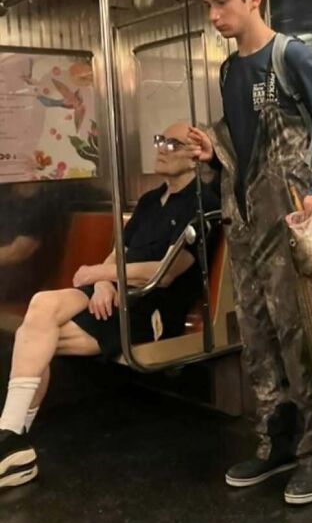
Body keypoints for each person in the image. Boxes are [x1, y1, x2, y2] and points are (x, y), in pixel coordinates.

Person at [188, 0, 312, 505]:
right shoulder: (230, 70)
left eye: (221, 3)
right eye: (208, 6)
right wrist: (213, 155)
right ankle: (275, 442)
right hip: (244, 224)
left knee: (303, 335)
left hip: (289, 222)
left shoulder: (292, 58)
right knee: (257, 336)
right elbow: (244, 147)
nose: (214, 16)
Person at [0, 121, 220, 489]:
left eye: (172, 143)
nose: (161, 148)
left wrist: (104, 275)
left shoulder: (203, 204)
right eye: (159, 139)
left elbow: (166, 272)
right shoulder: (151, 200)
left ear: (195, 155)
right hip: (116, 295)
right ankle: (11, 438)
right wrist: (103, 279)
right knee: (41, 309)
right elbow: (117, 254)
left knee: (34, 332)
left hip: (151, 306)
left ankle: (12, 442)